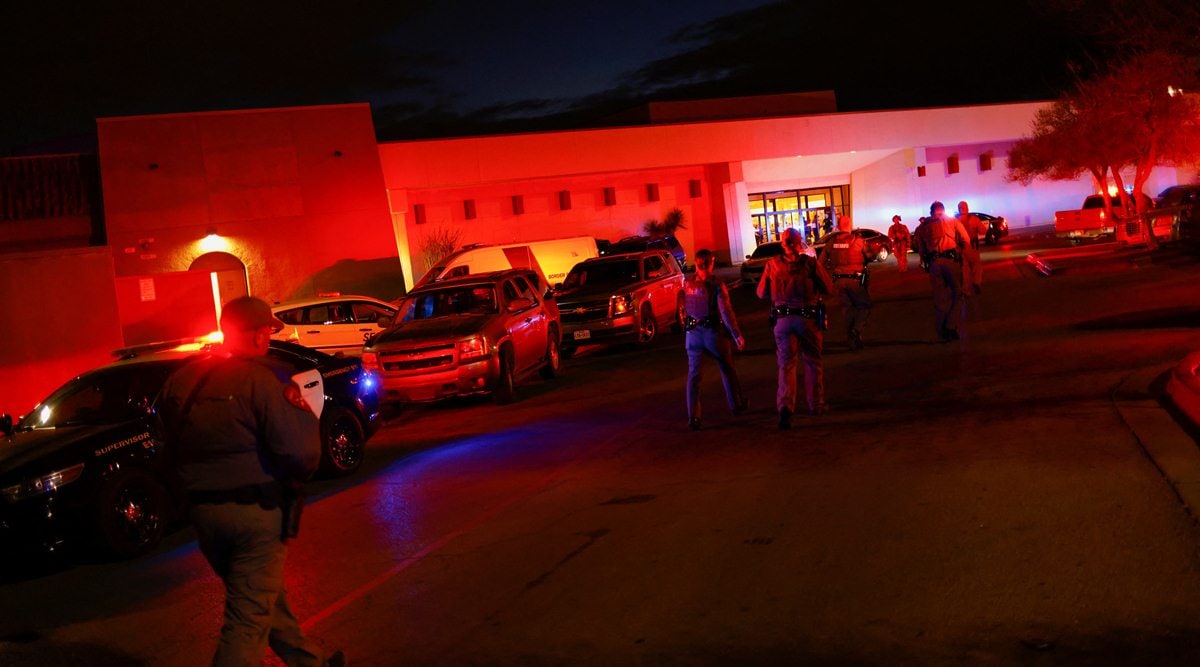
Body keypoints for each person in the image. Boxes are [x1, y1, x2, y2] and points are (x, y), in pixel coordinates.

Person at [160, 296, 344, 667]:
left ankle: (311, 663)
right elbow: (302, 454)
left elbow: (164, 434)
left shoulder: (184, 380)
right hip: (256, 515)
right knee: (247, 621)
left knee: (260, 598)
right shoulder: (263, 379)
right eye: (267, 331)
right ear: (260, 335)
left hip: (205, 515)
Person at [757, 228, 834, 428]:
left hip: (782, 321)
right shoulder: (810, 264)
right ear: (799, 243)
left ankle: (785, 408)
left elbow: (760, 293)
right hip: (807, 320)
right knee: (813, 362)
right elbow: (829, 288)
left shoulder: (772, 265)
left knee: (786, 366)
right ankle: (815, 404)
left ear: (782, 243)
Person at [679, 249, 747, 430]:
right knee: (727, 368)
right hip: (712, 334)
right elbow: (725, 312)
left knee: (694, 376)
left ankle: (693, 417)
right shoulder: (716, 285)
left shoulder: (689, 283)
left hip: (692, 335)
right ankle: (736, 405)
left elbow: (684, 309)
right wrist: (736, 334)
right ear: (710, 263)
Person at [913, 201, 971, 342]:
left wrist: (926, 261)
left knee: (940, 299)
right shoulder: (952, 221)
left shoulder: (922, 227)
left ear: (931, 211)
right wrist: (959, 251)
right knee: (958, 294)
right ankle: (950, 326)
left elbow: (920, 249)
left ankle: (941, 333)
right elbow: (966, 240)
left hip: (934, 263)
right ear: (943, 210)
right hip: (951, 261)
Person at [818, 215, 874, 351]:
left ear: (838, 227)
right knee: (864, 306)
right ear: (850, 225)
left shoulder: (832, 242)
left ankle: (851, 340)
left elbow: (820, 263)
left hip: (838, 281)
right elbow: (870, 256)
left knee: (847, 309)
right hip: (855, 280)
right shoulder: (857, 240)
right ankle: (857, 330)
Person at [956, 200, 986, 295]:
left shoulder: (954, 220)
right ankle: (976, 282)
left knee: (964, 270)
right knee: (976, 266)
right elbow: (983, 231)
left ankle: (966, 290)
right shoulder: (974, 219)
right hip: (972, 247)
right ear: (967, 208)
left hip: (960, 248)